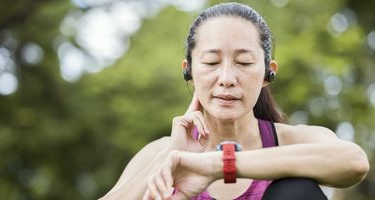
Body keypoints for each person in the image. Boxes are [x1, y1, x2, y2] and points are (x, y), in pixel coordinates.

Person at [100, 2, 369, 200]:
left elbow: (354, 162)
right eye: (211, 62)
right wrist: (169, 156)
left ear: (267, 72)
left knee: (294, 191)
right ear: (189, 70)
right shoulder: (162, 152)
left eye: (243, 62)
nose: (227, 78)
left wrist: (217, 165)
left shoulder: (293, 140)